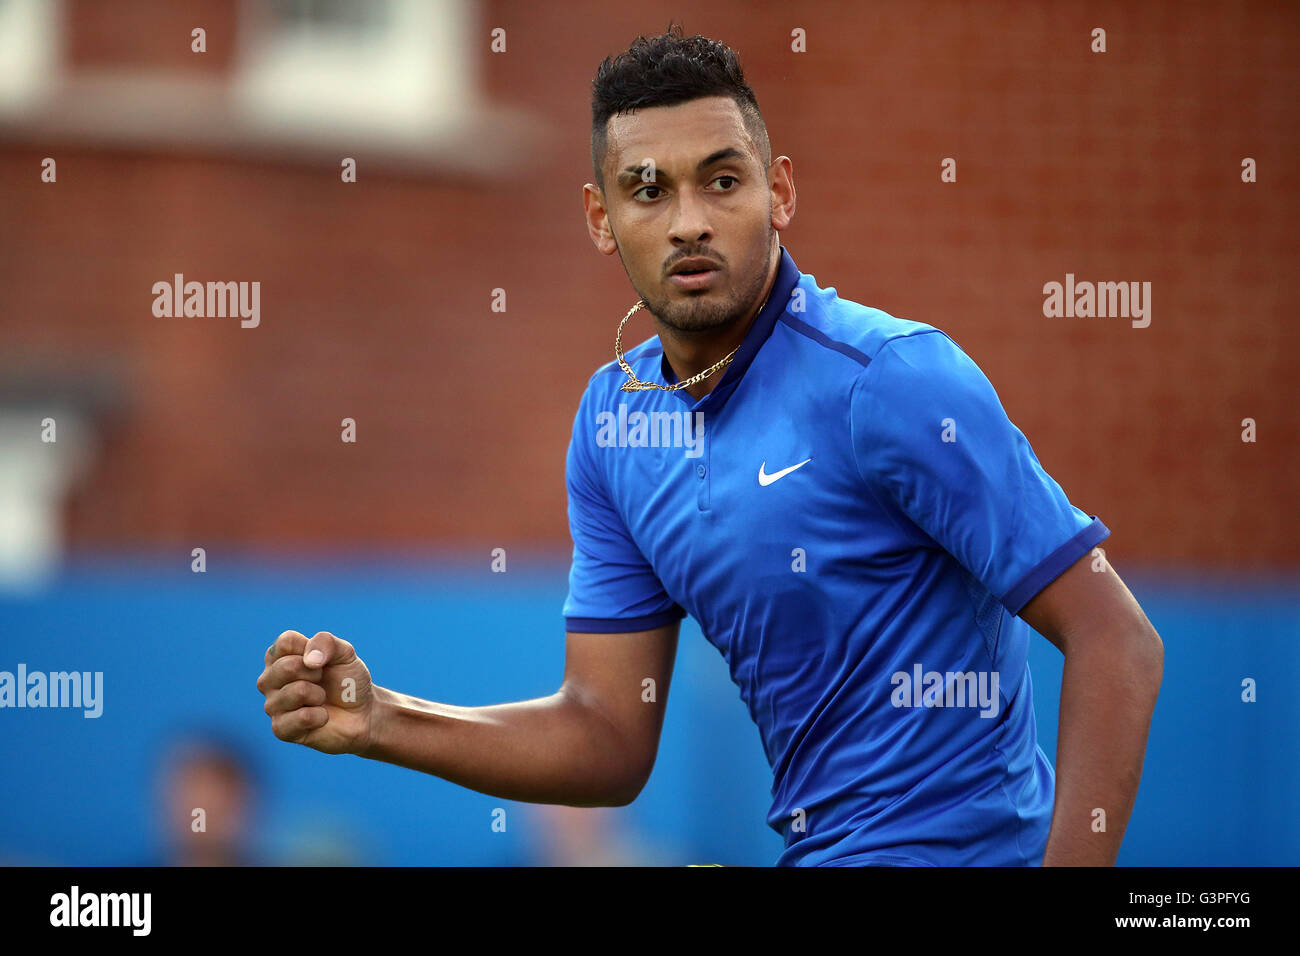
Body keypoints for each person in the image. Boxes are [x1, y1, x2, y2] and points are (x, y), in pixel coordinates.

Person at [256, 25, 1163, 866]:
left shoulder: (892, 379)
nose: (688, 219)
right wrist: (384, 719)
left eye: (722, 181)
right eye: (648, 189)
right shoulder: (615, 425)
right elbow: (608, 735)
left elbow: (1117, 640)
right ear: (600, 217)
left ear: (782, 192)